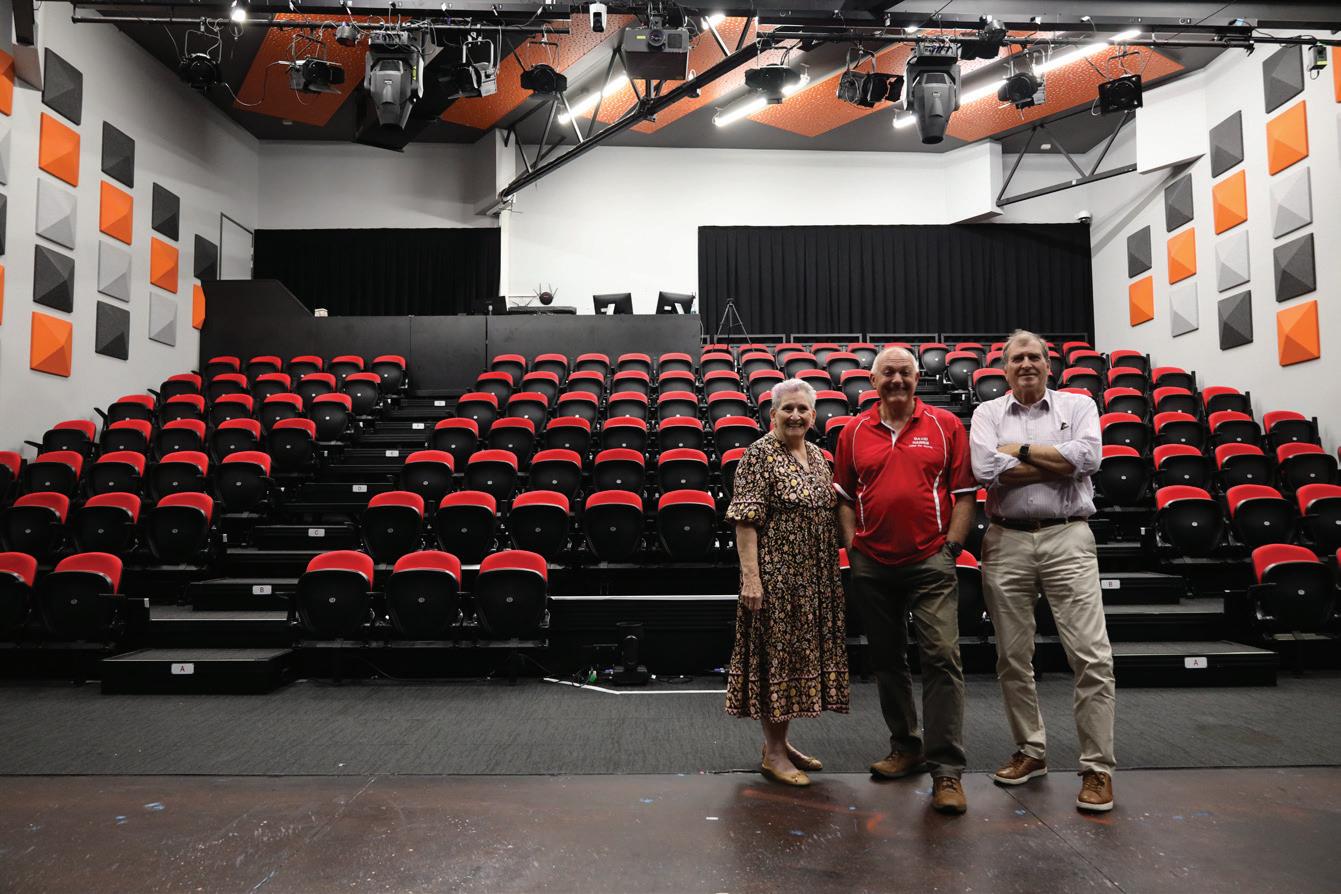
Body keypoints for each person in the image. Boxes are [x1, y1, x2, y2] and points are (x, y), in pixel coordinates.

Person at [968, 329, 1117, 813]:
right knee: (1013, 657)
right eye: (1017, 358)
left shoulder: (1078, 405)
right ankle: (1031, 750)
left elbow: (1090, 457)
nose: (1026, 364)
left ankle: (1097, 767)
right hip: (1006, 539)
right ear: (1004, 368)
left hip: (1067, 535)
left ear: (1049, 365)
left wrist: (1020, 451)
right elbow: (984, 469)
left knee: (1091, 656)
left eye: (1034, 356)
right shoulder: (987, 413)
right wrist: (1060, 460)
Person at [832, 346, 977, 815]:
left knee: (942, 657)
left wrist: (951, 546)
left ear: (917, 378)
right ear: (872, 381)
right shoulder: (853, 431)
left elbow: (964, 493)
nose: (896, 380)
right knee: (887, 659)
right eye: (887, 373)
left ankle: (947, 770)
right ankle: (905, 746)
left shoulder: (945, 424)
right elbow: (845, 496)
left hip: (930, 560)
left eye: (905, 372)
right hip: (873, 563)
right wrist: (853, 546)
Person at [725, 378, 849, 787]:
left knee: (796, 661)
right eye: (787, 409)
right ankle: (774, 754)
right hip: (776, 578)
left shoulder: (819, 457)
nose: (795, 415)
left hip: (815, 577)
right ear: (773, 414)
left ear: (814, 416)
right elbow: (745, 522)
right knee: (775, 662)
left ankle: (778, 744)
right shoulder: (758, 455)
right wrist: (751, 579)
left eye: (802, 409)